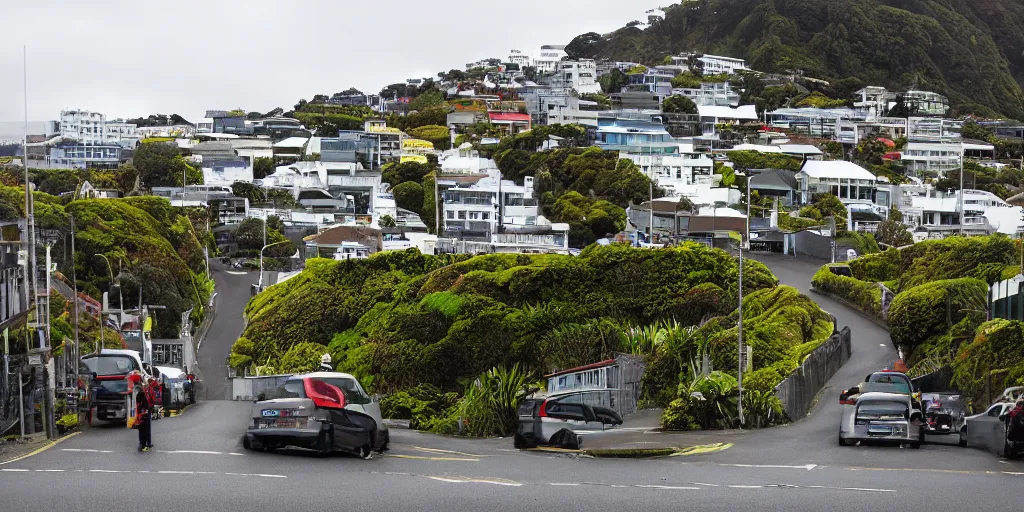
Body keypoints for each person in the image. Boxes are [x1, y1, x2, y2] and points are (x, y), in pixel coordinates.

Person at [135, 380, 152, 452]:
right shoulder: (143, 391)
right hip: (144, 411)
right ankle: (145, 443)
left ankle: (144, 443)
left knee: (143, 428)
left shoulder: (141, 391)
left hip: (143, 411)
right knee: (145, 427)